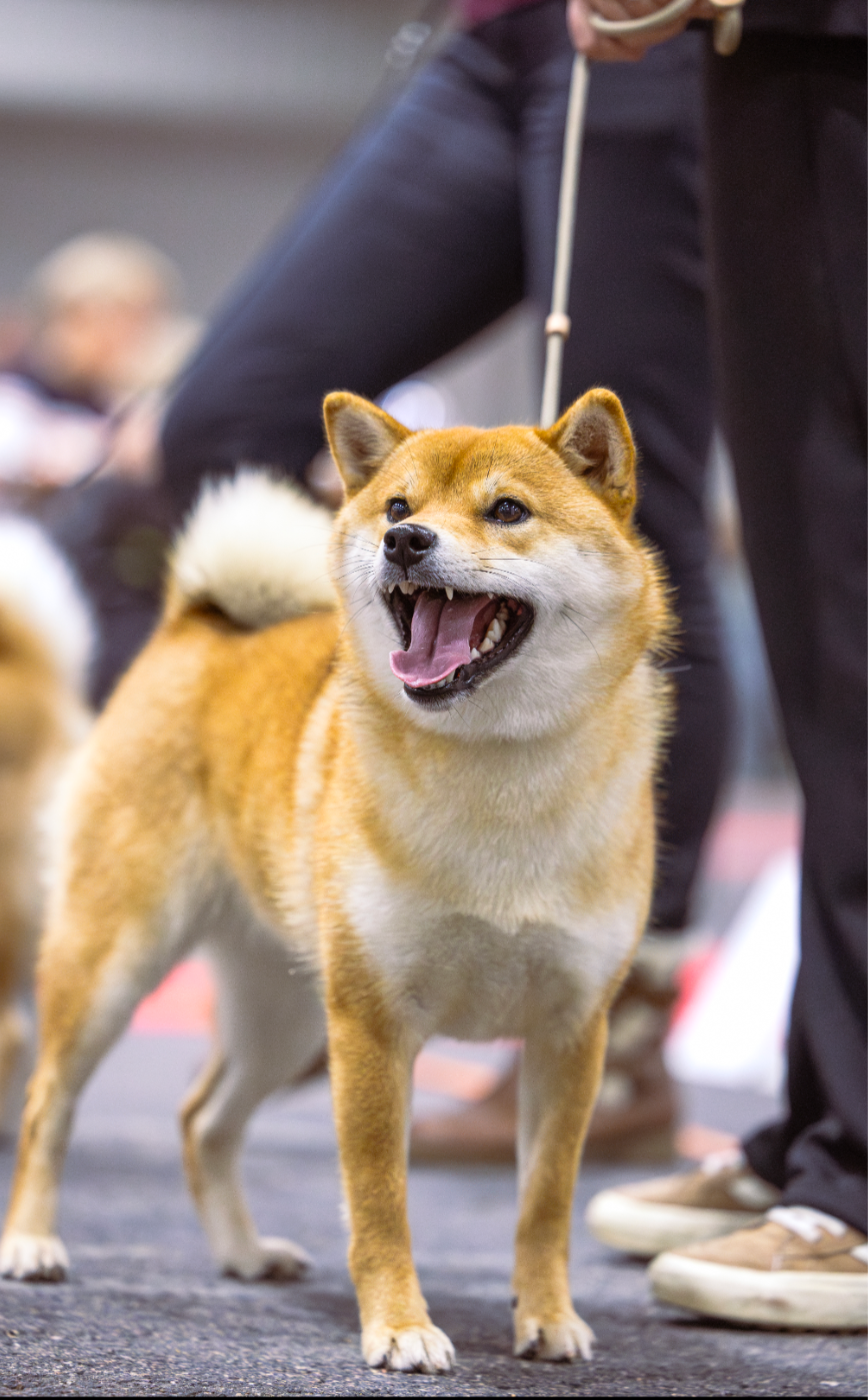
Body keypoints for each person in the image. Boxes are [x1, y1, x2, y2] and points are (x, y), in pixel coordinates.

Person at [161, 0, 731, 1161]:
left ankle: (622, 1023)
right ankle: (350, 903)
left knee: (632, 526)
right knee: (221, 421)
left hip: (657, 46)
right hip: (489, 41)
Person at [576, 0, 868, 1330]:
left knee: (848, 627)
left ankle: (852, 1167)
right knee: (824, 633)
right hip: (766, 60)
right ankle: (825, 1126)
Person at [0, 234, 199, 703]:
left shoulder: (113, 403)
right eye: (125, 320)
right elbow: (30, 463)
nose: (136, 337)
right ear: (76, 317)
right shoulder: (5, 399)